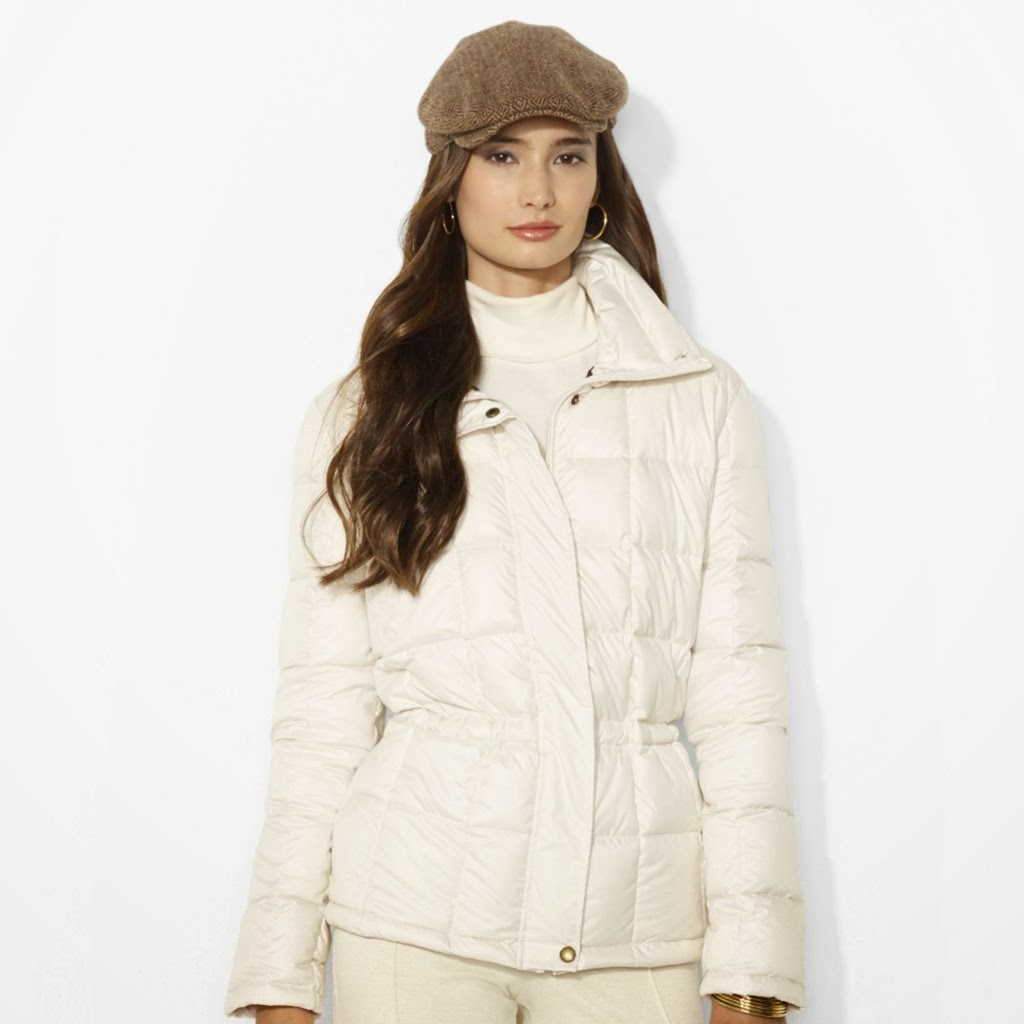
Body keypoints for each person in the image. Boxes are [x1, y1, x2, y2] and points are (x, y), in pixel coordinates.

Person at [223, 20, 805, 1024]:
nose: (538, 191)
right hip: (413, 926)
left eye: (567, 155)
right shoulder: (363, 412)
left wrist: (753, 975)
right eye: (501, 156)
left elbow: (739, 696)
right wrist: (277, 980)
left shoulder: (697, 398)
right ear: (449, 180)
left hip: (636, 932)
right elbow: (323, 709)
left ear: (600, 177)